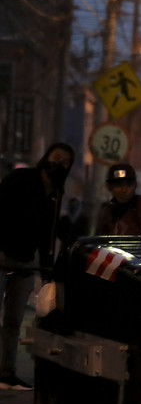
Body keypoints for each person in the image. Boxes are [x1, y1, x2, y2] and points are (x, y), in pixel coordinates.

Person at [0, 142, 74, 390]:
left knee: (13, 321)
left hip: (25, 263)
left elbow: (47, 236)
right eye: (56, 157)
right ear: (46, 157)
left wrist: (46, 272)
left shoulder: (55, 194)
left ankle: (6, 373)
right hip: (1, 256)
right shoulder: (21, 178)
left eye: (65, 161)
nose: (59, 163)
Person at [96, 163, 141, 235]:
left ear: (135, 186)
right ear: (109, 187)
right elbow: (101, 240)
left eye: (129, 184)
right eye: (118, 185)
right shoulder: (107, 211)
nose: (124, 189)